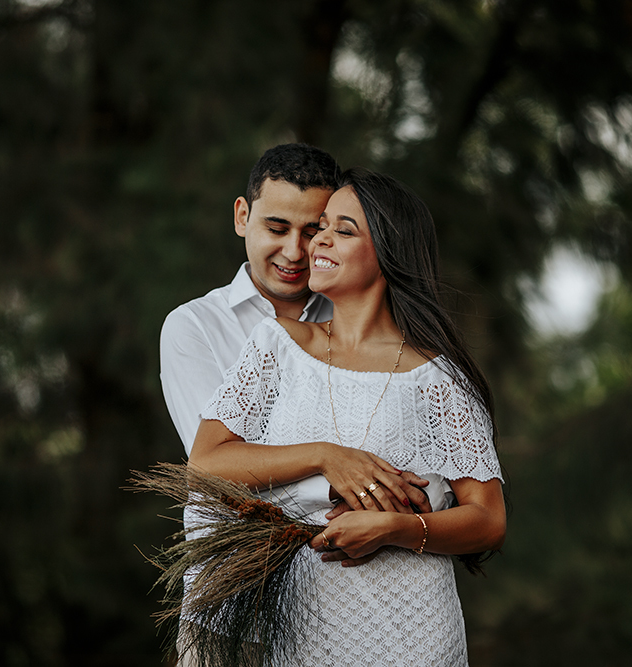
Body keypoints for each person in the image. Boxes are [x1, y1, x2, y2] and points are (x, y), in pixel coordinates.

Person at [189, 167, 506, 664]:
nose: (318, 241)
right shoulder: (278, 345)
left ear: (386, 251)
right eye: (323, 226)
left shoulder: (439, 378)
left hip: (412, 627)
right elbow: (205, 464)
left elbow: (488, 519)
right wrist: (324, 457)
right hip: (300, 620)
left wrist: (395, 530)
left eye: (343, 230)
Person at [160, 144, 437, 516]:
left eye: (313, 230)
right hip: (241, 563)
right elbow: (217, 473)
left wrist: (390, 500)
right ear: (242, 217)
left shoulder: (364, 319)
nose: (294, 252)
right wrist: (334, 468)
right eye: (276, 228)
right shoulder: (194, 327)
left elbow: (425, 463)